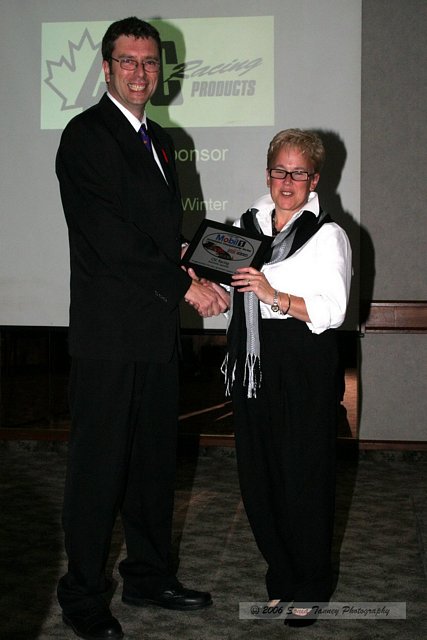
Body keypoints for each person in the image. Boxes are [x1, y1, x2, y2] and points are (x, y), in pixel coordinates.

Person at [55, 16, 227, 640]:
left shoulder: (159, 139)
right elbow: (109, 237)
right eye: (127, 61)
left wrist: (194, 258)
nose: (139, 72)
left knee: (154, 464)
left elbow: (152, 233)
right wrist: (185, 286)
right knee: (99, 469)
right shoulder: (85, 135)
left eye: (149, 62)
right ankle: (82, 595)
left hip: (154, 333)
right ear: (106, 68)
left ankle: (149, 576)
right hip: (109, 338)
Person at [220, 129, 352, 626]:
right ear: (268, 174)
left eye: (299, 172)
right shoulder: (246, 226)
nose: (288, 181)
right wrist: (202, 276)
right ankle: (281, 576)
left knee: (303, 477)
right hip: (253, 363)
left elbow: (333, 311)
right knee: (259, 477)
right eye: (280, 170)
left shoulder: (327, 235)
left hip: (303, 362)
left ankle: (311, 583)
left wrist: (271, 293)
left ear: (314, 180)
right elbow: (231, 286)